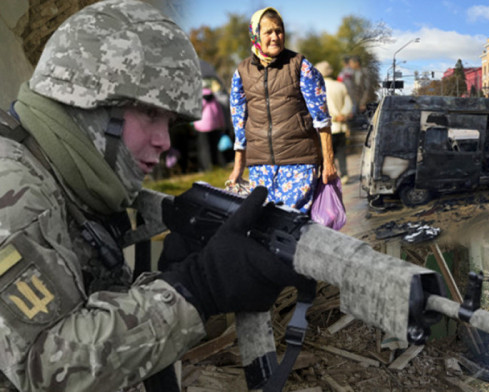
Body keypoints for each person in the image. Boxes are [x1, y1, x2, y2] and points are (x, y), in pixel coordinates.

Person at [0, 1, 307, 390]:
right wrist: (196, 290)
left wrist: (167, 281)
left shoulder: (65, 178)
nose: (164, 141)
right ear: (88, 105)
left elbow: (82, 310)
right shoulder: (14, 194)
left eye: (170, 122)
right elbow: (42, 369)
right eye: (149, 113)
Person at [226, 7, 336, 212]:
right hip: (260, 165)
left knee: (291, 221)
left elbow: (322, 119)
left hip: (299, 162)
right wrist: (237, 168)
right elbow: (239, 123)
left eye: (279, 31)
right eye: (268, 32)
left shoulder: (300, 66)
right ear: (255, 35)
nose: (275, 37)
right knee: (265, 224)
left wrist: (329, 162)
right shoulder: (242, 72)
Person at [316, 60, 353, 184]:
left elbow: (320, 108)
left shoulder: (318, 88)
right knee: (341, 152)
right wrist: (343, 114)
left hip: (327, 127)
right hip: (341, 126)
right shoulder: (340, 85)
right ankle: (345, 174)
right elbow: (349, 104)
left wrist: (333, 116)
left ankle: (331, 175)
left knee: (327, 153)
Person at [193, 87, 226, 171]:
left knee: (204, 148)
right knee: (216, 146)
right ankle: (220, 164)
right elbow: (220, 113)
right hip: (215, 125)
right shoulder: (214, 99)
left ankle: (206, 167)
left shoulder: (199, 99)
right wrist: (222, 125)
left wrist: (194, 124)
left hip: (202, 127)